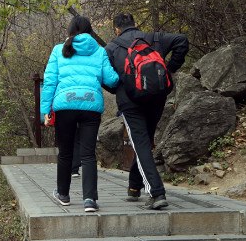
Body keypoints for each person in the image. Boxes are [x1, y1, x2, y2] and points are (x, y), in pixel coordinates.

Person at [105, 13, 189, 209]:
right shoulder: (154, 39)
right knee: (144, 142)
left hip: (130, 103)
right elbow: (182, 41)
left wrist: (120, 88)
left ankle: (157, 192)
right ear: (135, 25)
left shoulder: (111, 48)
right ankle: (134, 187)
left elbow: (105, 77)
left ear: (116, 29)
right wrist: (169, 70)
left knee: (140, 143)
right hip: (157, 98)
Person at [41, 15, 119, 212]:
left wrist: (45, 111)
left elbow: (50, 82)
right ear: (90, 31)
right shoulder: (99, 51)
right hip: (90, 106)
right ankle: (90, 200)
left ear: (69, 30)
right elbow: (111, 80)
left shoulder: (59, 50)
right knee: (88, 154)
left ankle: (63, 194)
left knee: (65, 153)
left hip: (64, 106)